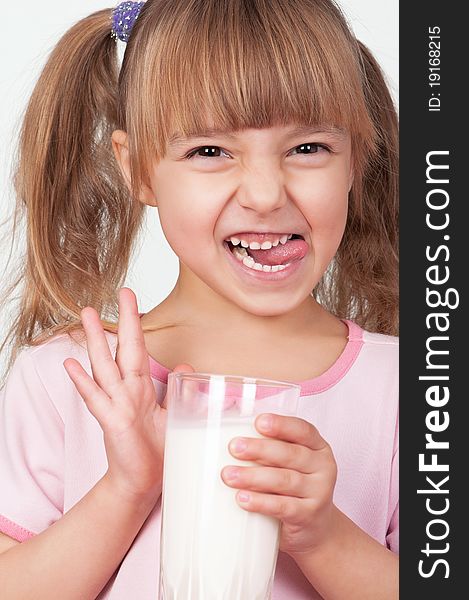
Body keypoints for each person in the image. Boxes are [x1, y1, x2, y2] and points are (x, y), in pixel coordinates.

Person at [0, 0, 399, 597]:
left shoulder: (409, 386)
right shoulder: (73, 379)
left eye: (309, 147)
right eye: (209, 152)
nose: (266, 194)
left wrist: (325, 536)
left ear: (356, 161)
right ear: (136, 170)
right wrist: (127, 488)